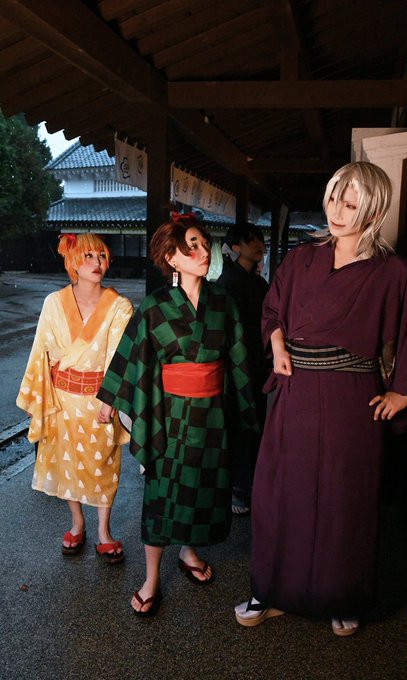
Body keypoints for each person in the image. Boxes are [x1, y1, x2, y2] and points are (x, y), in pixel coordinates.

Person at [235, 161, 407, 636]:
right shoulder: (301, 260)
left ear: (374, 212)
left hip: (352, 399)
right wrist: (278, 344)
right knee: (278, 493)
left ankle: (341, 596)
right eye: (334, 198)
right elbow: (273, 310)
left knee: (344, 500)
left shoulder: (394, 272)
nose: (337, 211)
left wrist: (405, 391)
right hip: (295, 393)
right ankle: (270, 589)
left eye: (350, 204)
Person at [97, 213, 257, 617]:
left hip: (212, 416)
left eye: (205, 244)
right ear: (172, 257)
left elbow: (240, 358)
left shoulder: (224, 302)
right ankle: (151, 577)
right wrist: (110, 397)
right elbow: (132, 352)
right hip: (168, 417)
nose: (203, 252)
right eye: (192, 246)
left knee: (203, 487)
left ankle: (188, 551)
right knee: (162, 494)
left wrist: (250, 411)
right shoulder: (155, 306)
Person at [17, 233, 133, 562]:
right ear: (73, 262)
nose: (97, 262)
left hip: (100, 399)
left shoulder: (119, 306)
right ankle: (77, 523)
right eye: (88, 256)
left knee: (103, 464)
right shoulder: (53, 303)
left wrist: (110, 400)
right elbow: (40, 352)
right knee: (67, 463)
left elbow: (120, 358)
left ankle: (104, 531)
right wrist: (38, 399)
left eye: (102, 255)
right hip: (62, 398)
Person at [217, 223, 269, 515]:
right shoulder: (227, 282)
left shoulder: (259, 284)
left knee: (256, 421)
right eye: (251, 241)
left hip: (257, 362)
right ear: (235, 247)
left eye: (260, 240)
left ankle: (251, 485)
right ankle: (238, 488)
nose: (259, 245)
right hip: (235, 365)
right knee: (239, 424)